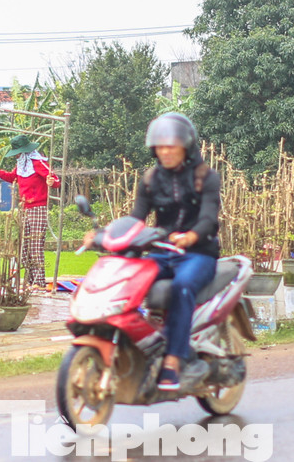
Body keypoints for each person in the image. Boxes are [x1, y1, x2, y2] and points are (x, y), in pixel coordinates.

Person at [87, 112, 221, 392]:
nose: (165, 151)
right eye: (160, 146)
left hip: (198, 254)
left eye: (171, 145)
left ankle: (174, 360)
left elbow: (209, 217)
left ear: (186, 146)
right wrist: (105, 236)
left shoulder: (206, 177)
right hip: (162, 252)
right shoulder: (150, 180)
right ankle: (143, 342)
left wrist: (191, 236)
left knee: (181, 287)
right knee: (130, 279)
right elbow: (137, 218)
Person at [0, 134, 59, 291]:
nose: (18, 156)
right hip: (24, 208)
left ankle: (39, 282)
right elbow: (13, 177)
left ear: (26, 151)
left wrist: (52, 182)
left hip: (37, 208)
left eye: (19, 153)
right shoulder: (22, 165)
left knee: (35, 245)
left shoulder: (38, 162)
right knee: (25, 247)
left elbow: (55, 179)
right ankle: (30, 280)